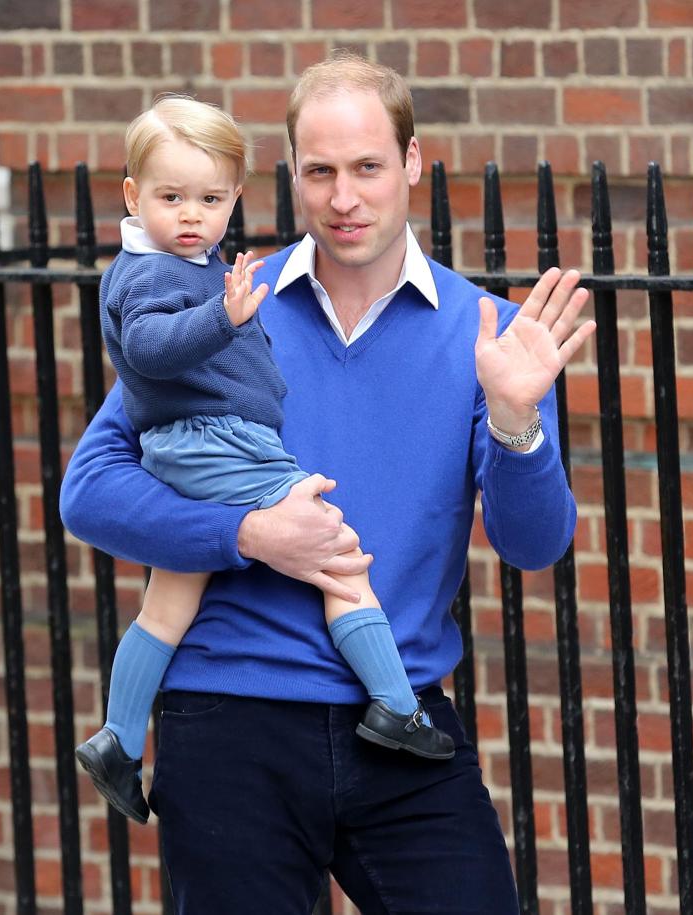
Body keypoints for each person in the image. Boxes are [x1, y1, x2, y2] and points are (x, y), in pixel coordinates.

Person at [61, 53, 595, 914]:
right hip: (230, 723)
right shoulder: (229, 299)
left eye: (367, 168)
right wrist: (247, 535)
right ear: (293, 176)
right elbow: (88, 492)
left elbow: (535, 545)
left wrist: (514, 418)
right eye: (320, 172)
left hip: (403, 728)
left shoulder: (489, 334)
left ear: (412, 165)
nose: (344, 197)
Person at [74, 93, 455, 827]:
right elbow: (150, 353)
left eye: (210, 199)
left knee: (170, 598)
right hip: (219, 442)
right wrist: (226, 314)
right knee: (338, 553)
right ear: (132, 196)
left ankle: (119, 738)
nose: (192, 215)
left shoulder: (188, 264)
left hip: (197, 442)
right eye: (172, 196)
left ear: (237, 198)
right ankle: (398, 706)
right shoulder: (161, 274)